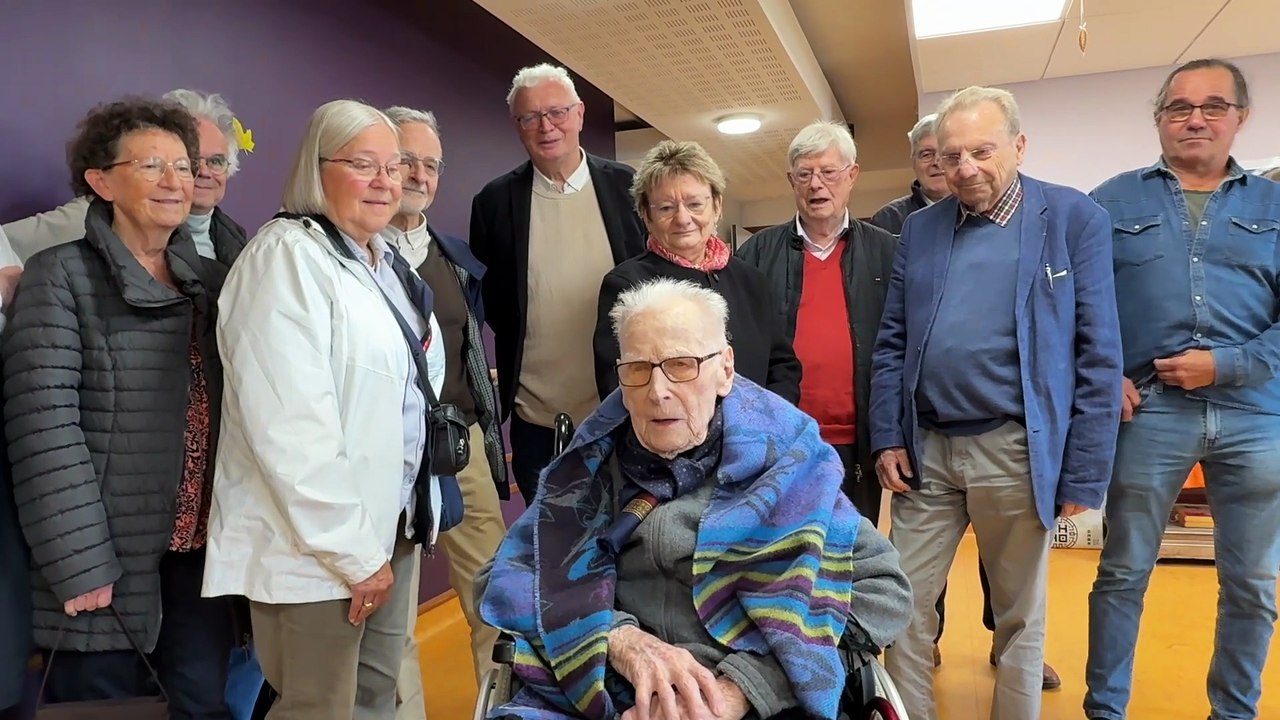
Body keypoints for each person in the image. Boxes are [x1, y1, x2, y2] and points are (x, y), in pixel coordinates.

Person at [479, 277, 911, 719]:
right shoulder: (588, 472)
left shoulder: (787, 468)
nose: (658, 391)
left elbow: (884, 591)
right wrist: (616, 637)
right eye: (638, 369)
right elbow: (504, 574)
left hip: (759, 704)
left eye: (682, 365)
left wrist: (741, 688)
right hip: (608, 693)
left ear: (725, 369)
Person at [869, 85, 1123, 720]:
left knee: (1019, 619)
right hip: (926, 450)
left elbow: (1098, 353)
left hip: (1017, 447)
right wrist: (886, 435)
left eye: (981, 151)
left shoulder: (1070, 220)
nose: (965, 168)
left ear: (1018, 145)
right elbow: (892, 341)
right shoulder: (920, 230)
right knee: (901, 605)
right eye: (951, 155)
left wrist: (1085, 472)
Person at [202, 99, 456, 720]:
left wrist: (389, 537)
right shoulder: (285, 256)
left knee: (374, 700)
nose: (385, 181)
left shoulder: (384, 263)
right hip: (319, 547)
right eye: (361, 164)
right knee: (319, 707)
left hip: (390, 528)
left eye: (393, 167)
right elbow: (288, 427)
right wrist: (351, 551)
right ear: (318, 169)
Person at [2, 97, 234, 715]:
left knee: (202, 706)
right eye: (152, 164)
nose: (174, 181)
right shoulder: (60, 277)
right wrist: (78, 563)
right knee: (108, 708)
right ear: (100, 180)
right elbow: (43, 430)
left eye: (183, 167)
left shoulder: (212, 282)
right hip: (104, 561)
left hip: (200, 557)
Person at [1084, 58, 1280, 720]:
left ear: (1240, 118)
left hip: (1257, 414)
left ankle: (1235, 713)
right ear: (1160, 119)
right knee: (1122, 573)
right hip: (1150, 414)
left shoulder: (1274, 206)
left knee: (1252, 585)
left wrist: (1226, 365)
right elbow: (1075, 303)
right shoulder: (1111, 200)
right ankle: (1105, 710)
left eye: (1213, 106)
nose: (1195, 118)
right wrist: (1102, 372)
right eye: (1178, 107)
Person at [470, 63, 645, 505]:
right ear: (517, 126)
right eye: (530, 117)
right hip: (537, 421)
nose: (546, 126)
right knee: (550, 552)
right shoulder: (493, 203)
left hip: (625, 411)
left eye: (557, 112)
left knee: (628, 541)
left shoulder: (631, 189)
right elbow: (491, 302)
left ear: (581, 114)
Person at [382, 106, 507, 710]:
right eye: (407, 159)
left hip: (462, 448)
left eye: (431, 165)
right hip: (383, 459)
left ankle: (500, 707)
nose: (420, 175)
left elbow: (469, 350)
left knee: (495, 598)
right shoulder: (347, 256)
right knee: (392, 615)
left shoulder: (455, 256)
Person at [736, 120, 895, 524]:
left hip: (859, 442)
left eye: (828, 172)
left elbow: (900, 346)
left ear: (852, 176)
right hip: (785, 439)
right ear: (792, 180)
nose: (816, 185)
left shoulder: (886, 252)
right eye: (804, 174)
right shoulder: (756, 253)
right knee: (785, 553)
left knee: (850, 553)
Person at [594, 140, 800, 404]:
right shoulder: (627, 285)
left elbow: (782, 365)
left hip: (757, 438)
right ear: (645, 215)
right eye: (666, 208)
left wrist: (767, 421)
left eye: (694, 204)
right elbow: (620, 384)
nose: (683, 219)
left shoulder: (751, 280)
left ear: (716, 205)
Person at [1, 88, 250, 266]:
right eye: (193, 161)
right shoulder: (87, 218)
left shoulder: (234, 237)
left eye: (216, 161)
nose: (203, 172)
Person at [869, 114, 950, 235]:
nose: (937, 163)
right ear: (913, 163)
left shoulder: (979, 211)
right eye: (926, 155)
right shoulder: (888, 220)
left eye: (944, 154)